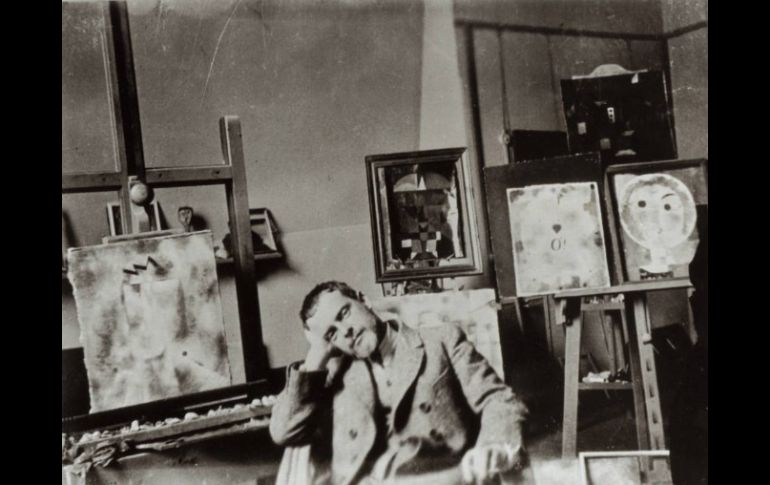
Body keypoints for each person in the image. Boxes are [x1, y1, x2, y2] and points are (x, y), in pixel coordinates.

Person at [270, 281, 528, 485]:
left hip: (439, 475)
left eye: (344, 313)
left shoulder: (440, 340)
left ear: (364, 300)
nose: (345, 331)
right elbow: (284, 432)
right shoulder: (334, 373)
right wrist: (316, 356)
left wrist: (493, 445)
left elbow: (498, 399)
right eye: (332, 333)